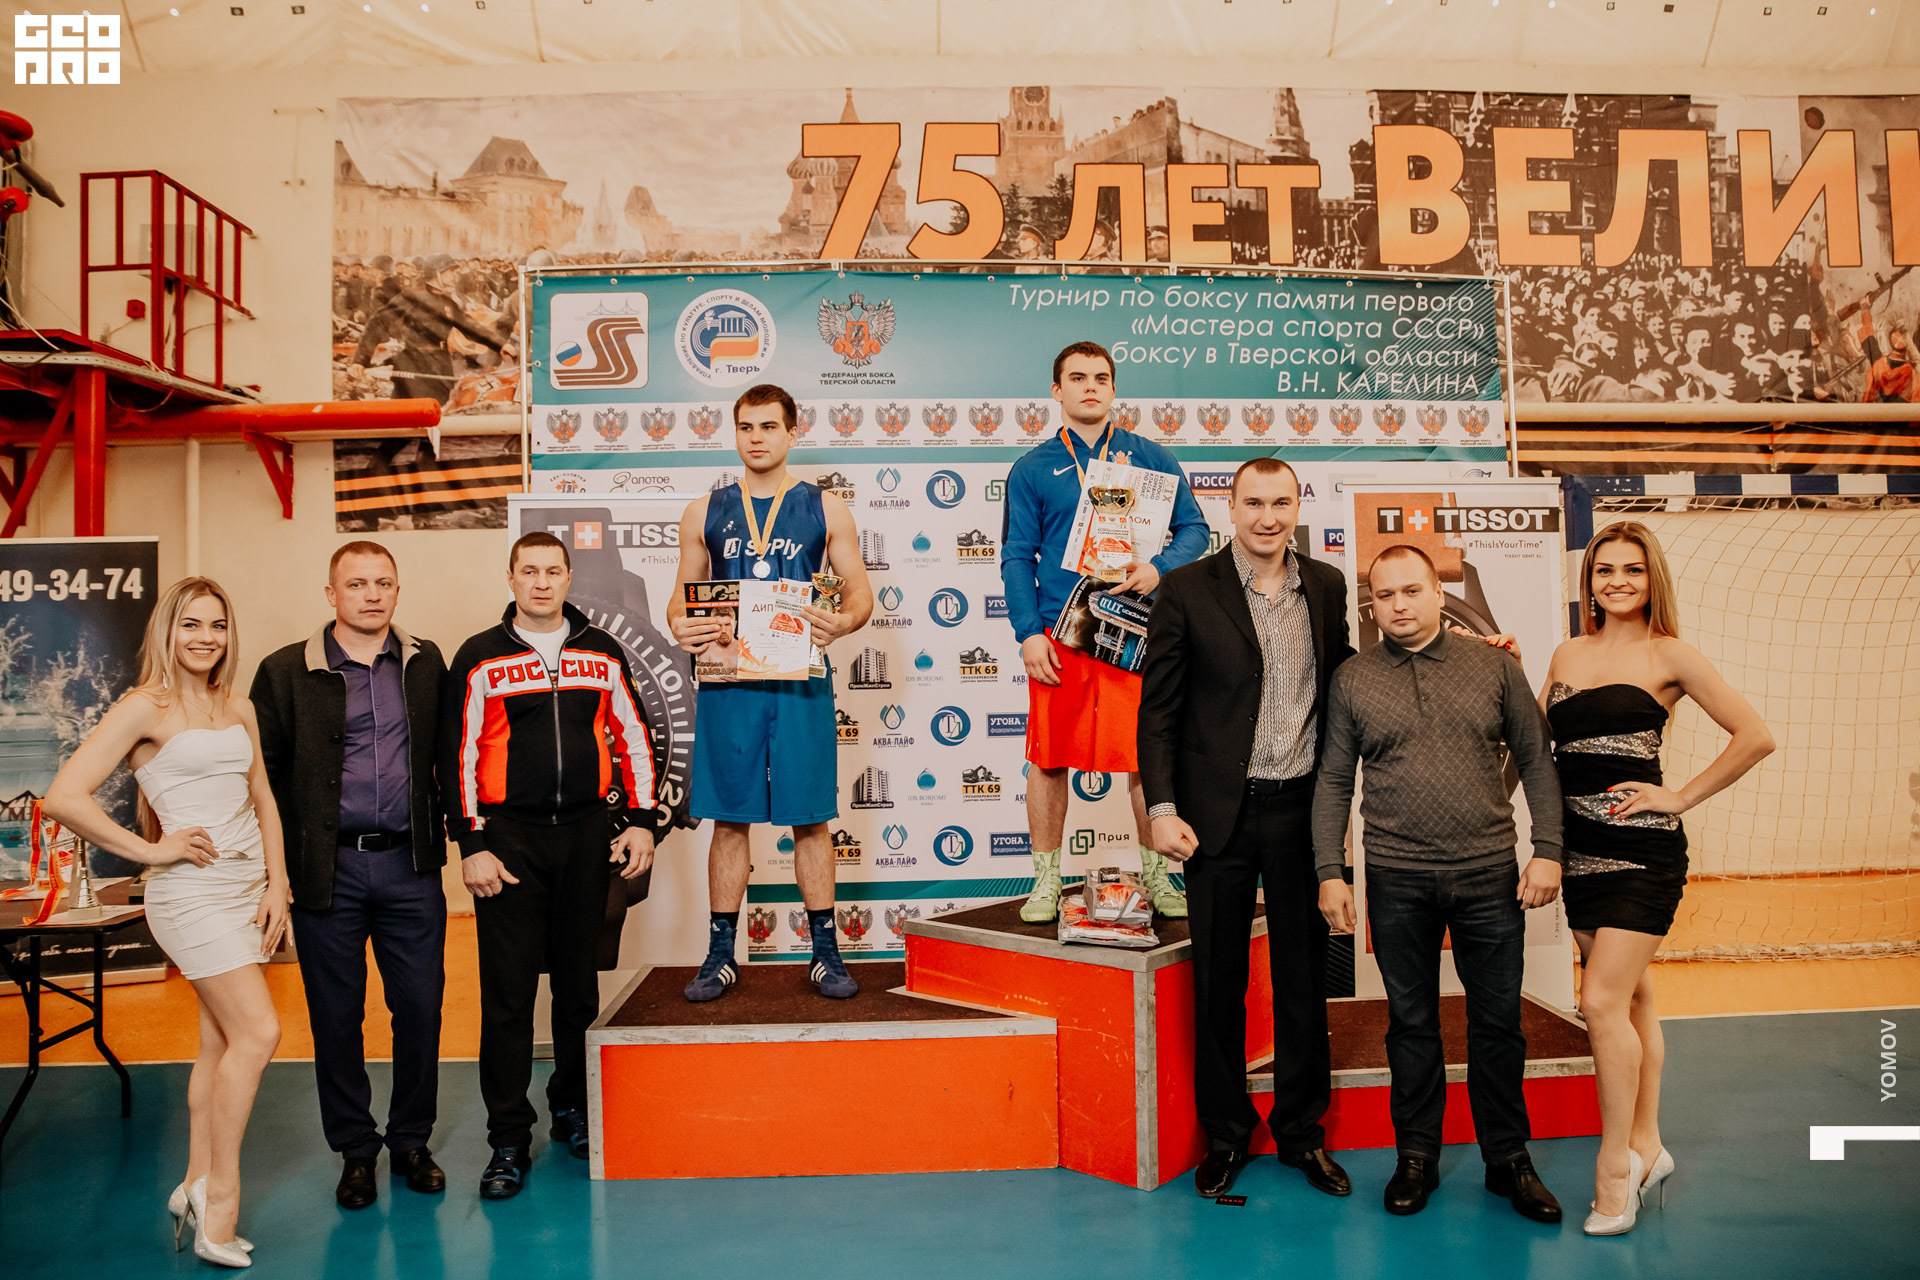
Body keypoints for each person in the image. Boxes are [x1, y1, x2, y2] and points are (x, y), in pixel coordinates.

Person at [1313, 545, 1566, 1224]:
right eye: (1385, 595)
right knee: (1411, 1024)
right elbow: (1333, 781)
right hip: (1395, 879)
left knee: (1498, 1024)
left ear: (1437, 594)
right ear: (1372, 605)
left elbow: (1537, 760)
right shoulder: (1352, 680)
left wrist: (1548, 851)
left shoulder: (1495, 667)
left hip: (1490, 875)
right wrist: (1330, 871)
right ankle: (1416, 1156)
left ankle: (1507, 1159)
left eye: (1412, 590)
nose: (1399, 604)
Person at [45, 578, 288, 1268]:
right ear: (167, 631)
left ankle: (190, 1183)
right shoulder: (142, 707)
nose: (205, 638)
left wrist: (278, 883)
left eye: (217, 625)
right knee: (259, 1033)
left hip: (245, 889)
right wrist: (151, 850)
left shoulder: (237, 706)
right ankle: (219, 1201)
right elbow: (63, 796)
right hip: (190, 893)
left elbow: (263, 796)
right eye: (191, 624)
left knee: (218, 1044)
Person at [1541, 522, 1773, 1236]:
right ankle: (1649, 1144)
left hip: (1643, 854)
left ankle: (1616, 1170)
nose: (1617, 581)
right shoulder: (1567, 652)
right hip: (1579, 853)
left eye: (1632, 570)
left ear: (1651, 580)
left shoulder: (1670, 654)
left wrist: (1680, 797)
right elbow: (1542, 738)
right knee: (1634, 998)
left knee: (1600, 1001)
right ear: (1589, 581)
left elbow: (1755, 735)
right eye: (1604, 570)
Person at [1137, 457, 1355, 1200]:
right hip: (1214, 820)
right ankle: (1227, 1137)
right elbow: (1158, 713)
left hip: (1300, 812)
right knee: (1219, 986)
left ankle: (1301, 1135)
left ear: (1298, 506)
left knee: (1303, 984)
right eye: (1254, 503)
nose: (1268, 517)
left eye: (1281, 502)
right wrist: (1161, 809)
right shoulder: (1186, 589)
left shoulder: (1326, 586)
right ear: (1229, 508)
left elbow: (1349, 682)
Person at [443, 531, 661, 1199]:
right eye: (529, 571)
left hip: (586, 836)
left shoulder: (602, 650)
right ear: (511, 578)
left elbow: (633, 735)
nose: (541, 582)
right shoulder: (480, 656)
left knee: (578, 991)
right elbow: (457, 755)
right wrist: (471, 844)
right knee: (508, 997)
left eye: (552, 571)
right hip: (508, 842)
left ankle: (572, 1108)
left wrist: (643, 821)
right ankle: (508, 1137)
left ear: (569, 579)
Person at [249, 542, 448, 1210]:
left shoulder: (425, 662)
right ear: (331, 594)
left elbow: (449, 753)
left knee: (419, 1008)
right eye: (356, 584)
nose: (372, 594)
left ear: (397, 590)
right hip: (325, 872)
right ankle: (356, 1151)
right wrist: (275, 872)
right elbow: (262, 779)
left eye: (383, 582)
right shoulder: (284, 671)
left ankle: (411, 1141)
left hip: (409, 866)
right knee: (336, 1017)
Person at [666, 383, 874, 1002]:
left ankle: (825, 953)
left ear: (792, 432)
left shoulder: (826, 508)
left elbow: (859, 592)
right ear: (735, 433)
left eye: (768, 426)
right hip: (729, 682)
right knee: (730, 820)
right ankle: (720, 955)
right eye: (746, 427)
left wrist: (843, 621)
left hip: (800, 681)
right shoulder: (703, 511)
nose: (756, 437)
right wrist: (681, 625)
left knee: (811, 818)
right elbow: (680, 598)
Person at [1000, 340, 1210, 923]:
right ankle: (1045, 879)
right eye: (1077, 377)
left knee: (1146, 757)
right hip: (1061, 633)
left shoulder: (1152, 458)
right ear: (1057, 390)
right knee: (1048, 759)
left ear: (1114, 389)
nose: (1090, 386)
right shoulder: (1033, 467)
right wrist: (1028, 632)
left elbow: (1195, 529)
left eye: (1100, 377)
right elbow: (1016, 556)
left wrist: (1159, 568)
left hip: (1138, 631)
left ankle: (1159, 874)